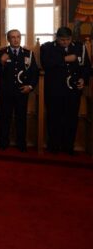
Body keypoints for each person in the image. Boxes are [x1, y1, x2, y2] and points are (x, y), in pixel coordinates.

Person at [40, 27, 90, 155]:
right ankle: (54, 146)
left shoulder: (80, 47)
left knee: (71, 119)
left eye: (68, 39)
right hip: (54, 91)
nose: (65, 42)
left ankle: (69, 146)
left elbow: (86, 67)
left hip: (73, 91)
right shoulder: (47, 47)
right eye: (62, 40)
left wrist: (83, 79)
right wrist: (64, 59)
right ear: (57, 38)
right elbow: (46, 63)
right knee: (54, 118)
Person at [0, 29, 39, 152]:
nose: (16, 39)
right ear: (8, 39)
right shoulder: (1, 53)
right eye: (13, 37)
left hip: (22, 91)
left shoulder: (28, 54)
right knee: (5, 118)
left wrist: (30, 86)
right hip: (6, 92)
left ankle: (21, 143)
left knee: (21, 118)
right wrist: (1, 62)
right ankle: (3, 142)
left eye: (18, 37)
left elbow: (35, 73)